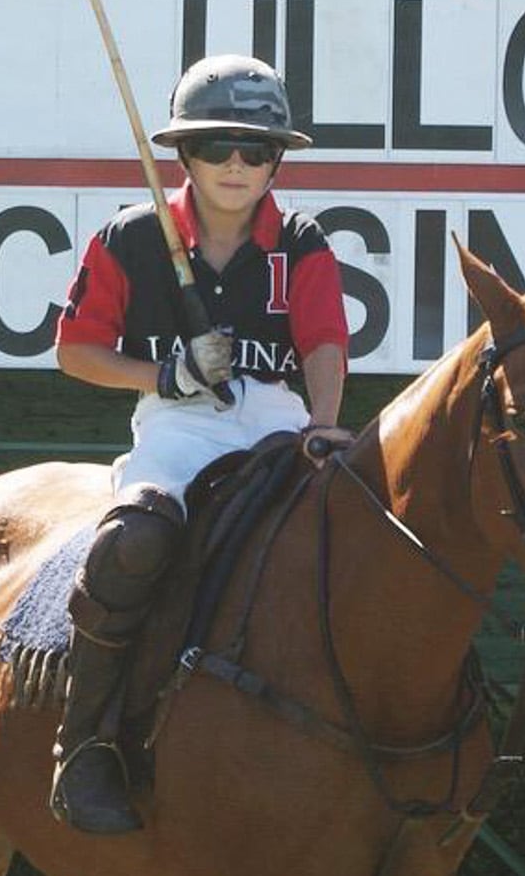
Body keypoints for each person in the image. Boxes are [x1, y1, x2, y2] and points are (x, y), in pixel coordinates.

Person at [49, 53, 351, 834]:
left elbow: (322, 340)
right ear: (183, 151)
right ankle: (86, 747)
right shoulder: (130, 235)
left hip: (276, 421)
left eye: (259, 150)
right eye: (219, 147)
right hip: (177, 425)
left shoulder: (302, 240)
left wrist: (322, 425)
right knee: (133, 541)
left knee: (338, 544)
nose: (238, 165)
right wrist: (166, 373)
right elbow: (76, 351)